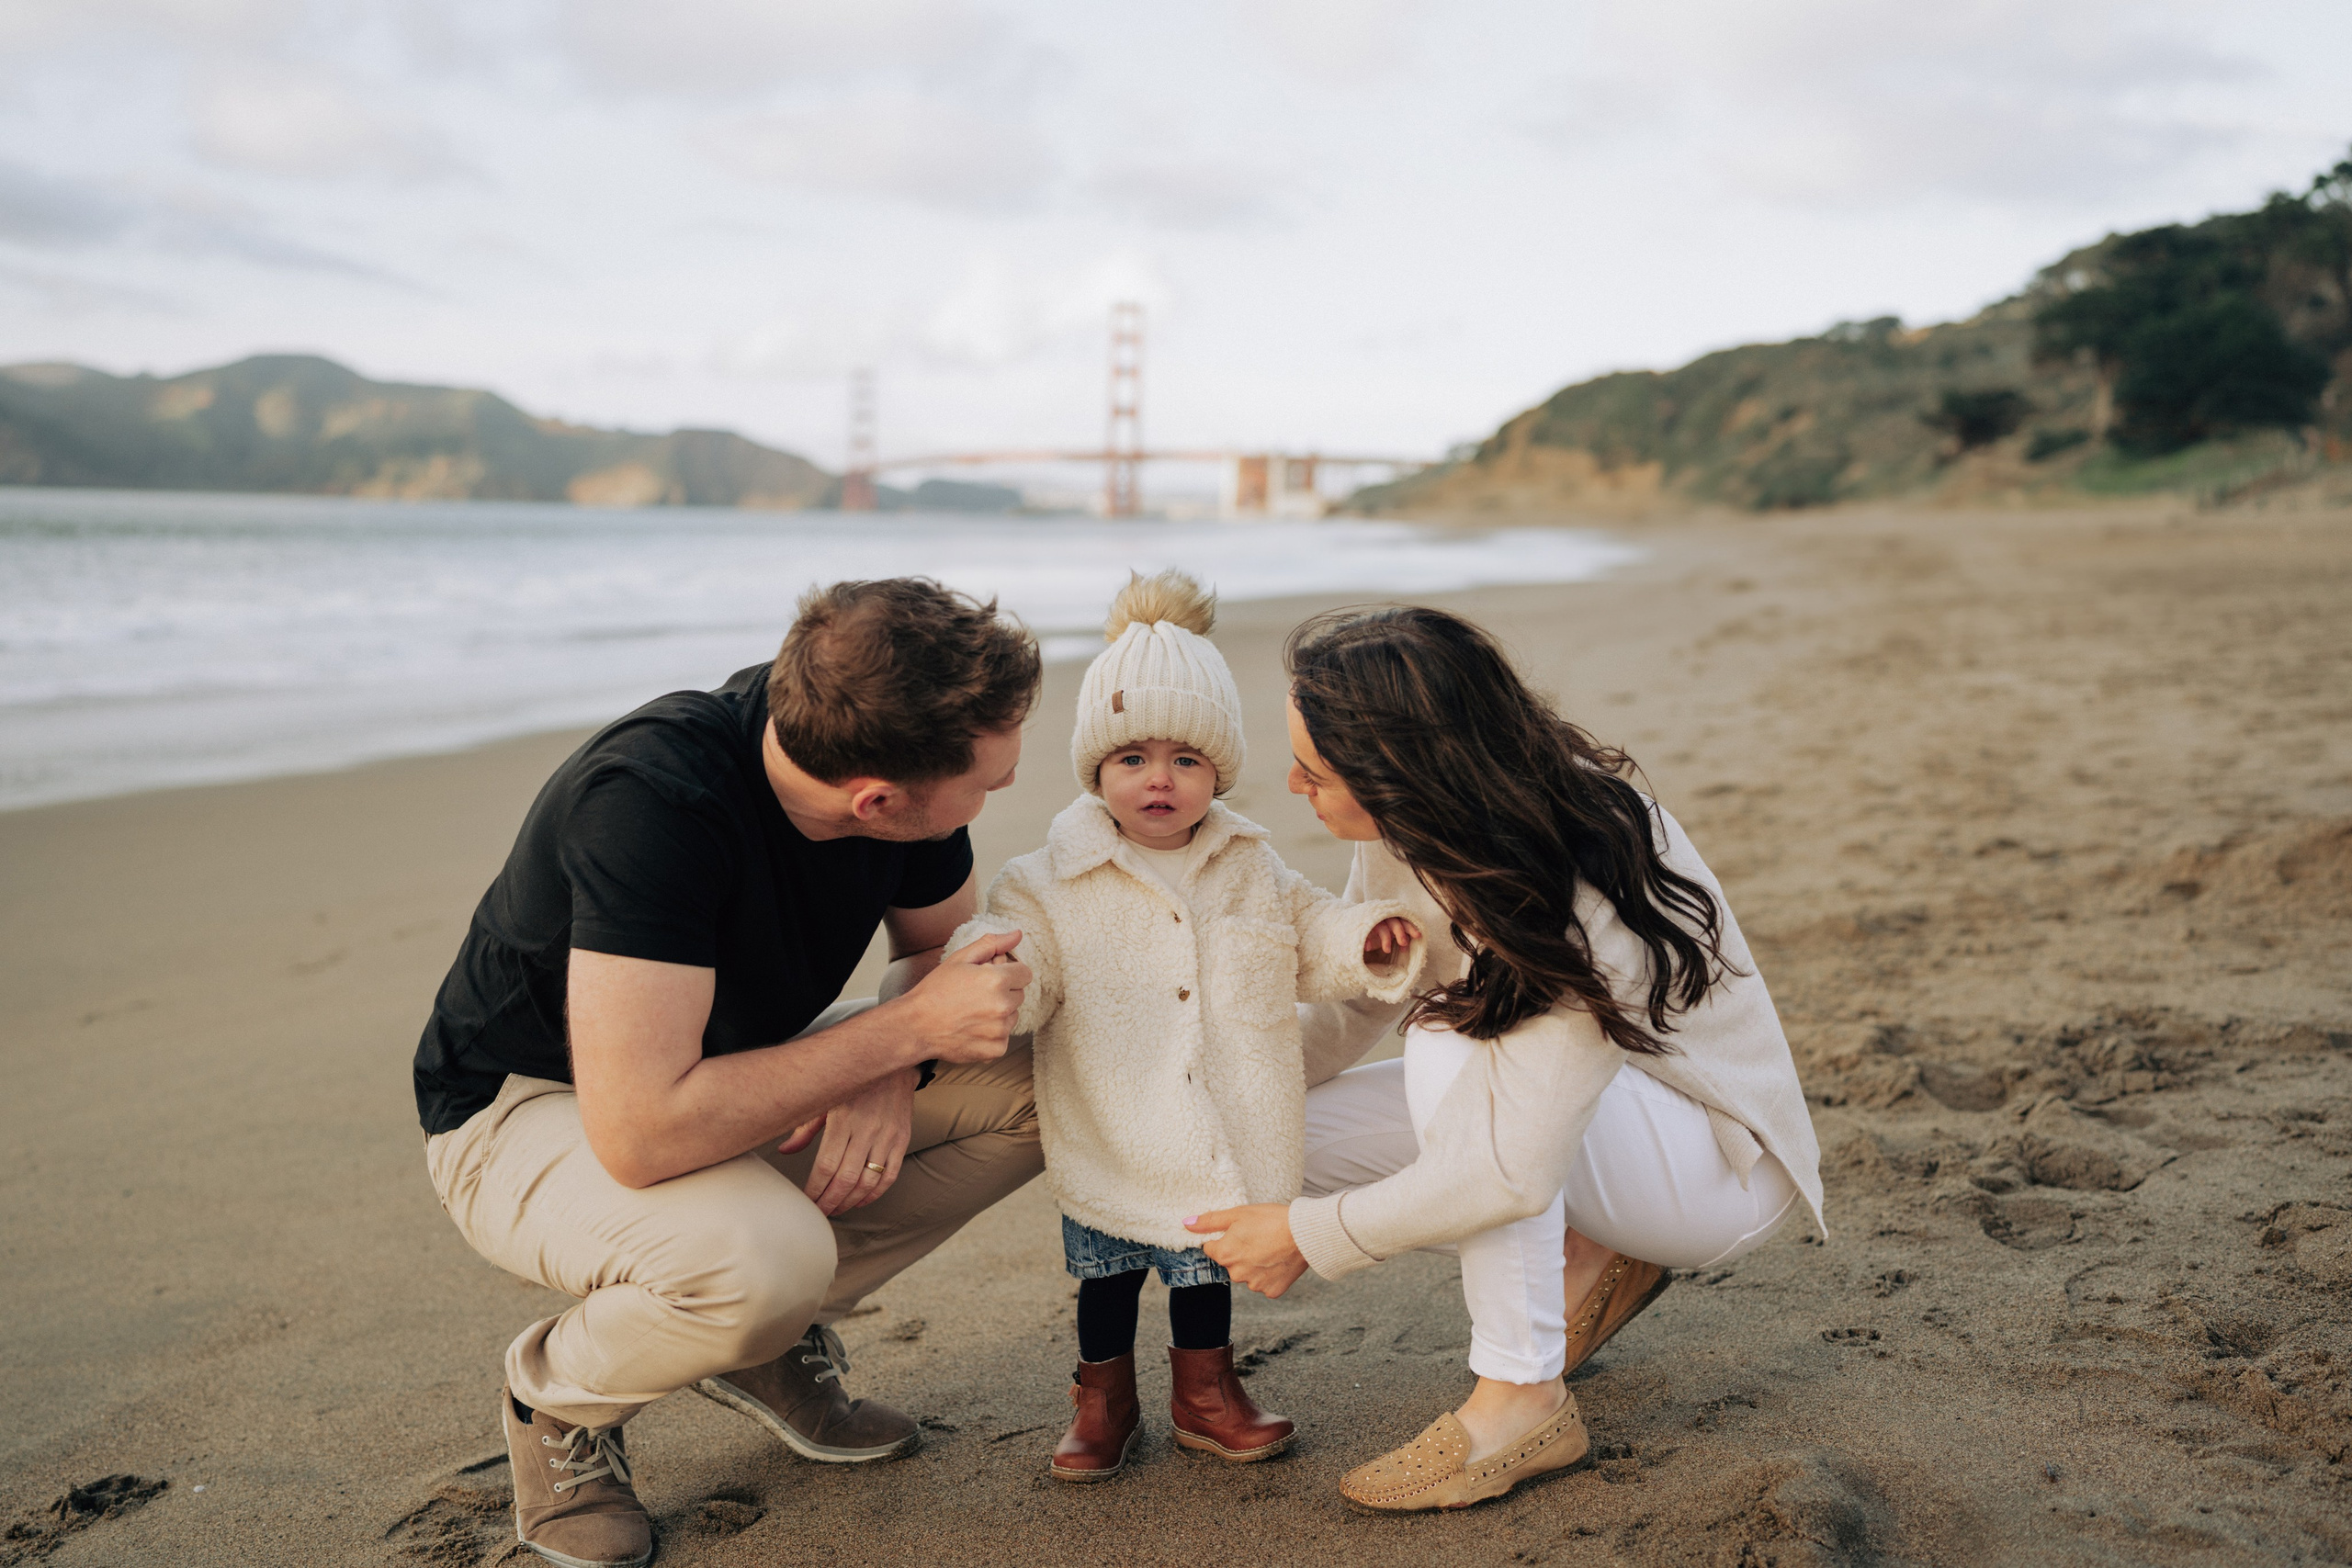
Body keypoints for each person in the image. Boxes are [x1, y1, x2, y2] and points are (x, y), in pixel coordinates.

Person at [413, 579, 1045, 1568]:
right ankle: (558, 1399)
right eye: (987, 786)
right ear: (874, 802)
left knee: (1048, 1078)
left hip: (717, 1077)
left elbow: (941, 954)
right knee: (762, 1263)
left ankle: (761, 1346)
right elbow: (643, 1131)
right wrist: (893, 1038)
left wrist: (891, 1059)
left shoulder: (871, 736)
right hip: (524, 1110)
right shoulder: (654, 806)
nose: (994, 797)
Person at [1187, 605, 1826, 1514]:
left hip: (1715, 1170)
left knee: (1455, 1035)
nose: (1292, 785)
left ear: (1400, 768)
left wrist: (1307, 1235)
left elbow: (1504, 1166)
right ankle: (1591, 1248)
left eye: (1315, 769)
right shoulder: (1423, 824)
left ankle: (1520, 1406)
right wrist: (1211, 1096)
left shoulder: (1565, 868)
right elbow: (1369, 992)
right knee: (1249, 1132)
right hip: (1584, 1117)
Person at [949, 571, 1425, 1483]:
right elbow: (1023, 959)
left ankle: (1208, 1395)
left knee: (1205, 1282)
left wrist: (1365, 940)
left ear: (1218, 770)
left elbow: (1309, 931)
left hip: (1222, 1128)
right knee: (1108, 1280)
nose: (1157, 780)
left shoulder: (1250, 864)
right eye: (1132, 760)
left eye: (1184, 760)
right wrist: (1000, 972)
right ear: (1097, 770)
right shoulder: (1044, 878)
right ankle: (1104, 1401)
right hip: (1112, 1125)